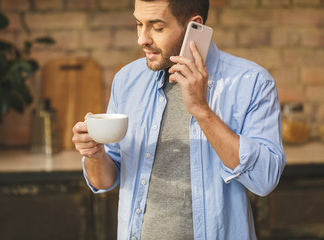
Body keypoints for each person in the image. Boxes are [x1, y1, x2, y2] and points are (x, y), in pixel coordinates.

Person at [72, 0, 286, 239]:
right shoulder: (127, 80)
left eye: (157, 27)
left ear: (194, 26)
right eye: (138, 24)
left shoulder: (252, 82)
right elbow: (104, 181)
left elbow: (264, 180)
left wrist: (202, 110)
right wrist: (94, 153)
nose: (142, 39)